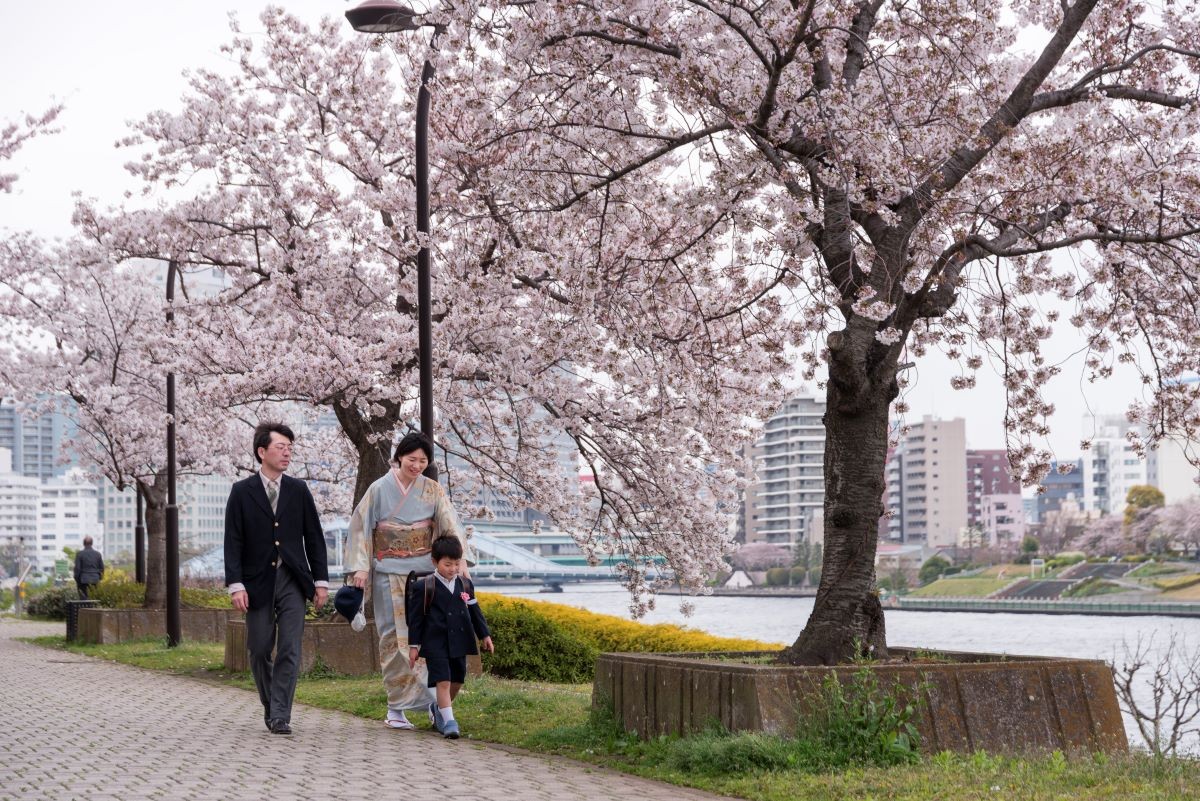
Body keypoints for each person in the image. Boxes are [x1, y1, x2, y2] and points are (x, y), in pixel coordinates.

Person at [345, 432, 472, 731]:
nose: (417, 465)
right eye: (412, 459)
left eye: (423, 461)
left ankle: (434, 704)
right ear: (399, 457)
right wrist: (361, 567)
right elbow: (361, 528)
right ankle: (396, 708)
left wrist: (460, 559)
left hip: (425, 577)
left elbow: (449, 524)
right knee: (393, 638)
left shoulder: (432, 490)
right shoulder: (378, 489)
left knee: (427, 639)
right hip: (389, 572)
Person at [224, 422, 328, 735]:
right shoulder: (242, 492)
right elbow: (233, 541)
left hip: (293, 579)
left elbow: (314, 537)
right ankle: (273, 706)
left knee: (289, 649)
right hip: (256, 582)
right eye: (280, 447)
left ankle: (281, 714)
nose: (287, 453)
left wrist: (320, 581)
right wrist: (236, 584)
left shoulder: (298, 490)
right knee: (257, 649)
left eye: (290, 448)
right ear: (261, 451)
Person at [407, 535, 494, 739]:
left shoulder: (465, 585)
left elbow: (475, 611)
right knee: (443, 682)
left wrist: (485, 635)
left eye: (456, 564)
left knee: (457, 681)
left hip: (459, 641)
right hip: (435, 641)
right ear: (435, 562)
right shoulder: (424, 586)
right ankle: (450, 722)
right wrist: (414, 646)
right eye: (448, 564)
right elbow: (416, 619)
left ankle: (439, 709)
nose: (453, 568)